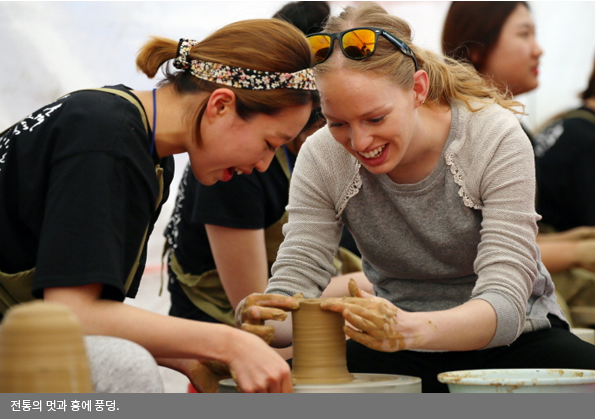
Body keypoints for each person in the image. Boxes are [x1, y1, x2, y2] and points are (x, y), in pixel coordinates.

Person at [236, 1, 595, 393]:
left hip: (514, 339)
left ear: (418, 90)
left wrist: (408, 329)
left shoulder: (492, 136)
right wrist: (261, 319)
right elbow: (297, 279)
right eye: (338, 123)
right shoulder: (323, 154)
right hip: (390, 343)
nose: (359, 142)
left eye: (375, 118)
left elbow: (506, 305)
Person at [0, 18, 319, 393]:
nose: (264, 165)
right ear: (220, 106)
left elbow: (91, 313)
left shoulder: (138, 143)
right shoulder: (107, 141)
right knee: (123, 369)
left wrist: (192, 360)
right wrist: (231, 342)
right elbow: (72, 313)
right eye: (269, 143)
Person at [164, 1, 369, 392]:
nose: (353, 139)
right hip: (224, 349)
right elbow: (261, 316)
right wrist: (372, 286)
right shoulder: (235, 167)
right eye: (337, 122)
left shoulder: (316, 151)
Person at [442, 1, 595, 316]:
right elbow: (466, 254)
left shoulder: (507, 122)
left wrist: (572, 240)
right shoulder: (463, 129)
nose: (538, 50)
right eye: (524, 35)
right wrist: (576, 251)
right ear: (476, 47)